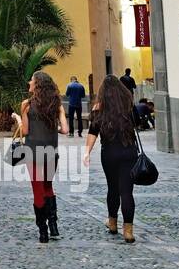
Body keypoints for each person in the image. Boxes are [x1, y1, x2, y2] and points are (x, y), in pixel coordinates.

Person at [11, 70, 69, 244]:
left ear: (37, 85)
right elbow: (65, 130)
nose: (29, 82)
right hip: (51, 152)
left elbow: (26, 131)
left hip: (33, 153)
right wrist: (54, 129)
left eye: (32, 81)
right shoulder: (56, 104)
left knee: (38, 190)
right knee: (48, 187)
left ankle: (43, 232)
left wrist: (17, 119)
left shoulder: (26, 105)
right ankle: (53, 226)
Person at [83, 74, 140, 243]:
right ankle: (128, 231)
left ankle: (113, 222)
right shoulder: (128, 105)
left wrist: (87, 152)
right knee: (127, 192)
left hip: (109, 153)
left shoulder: (98, 108)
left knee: (112, 188)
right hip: (128, 152)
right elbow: (138, 123)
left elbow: (93, 132)